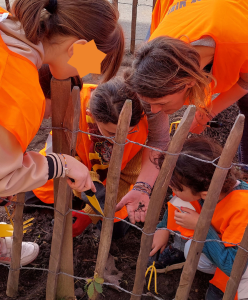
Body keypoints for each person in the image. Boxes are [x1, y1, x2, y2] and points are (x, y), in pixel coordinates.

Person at [0, 0, 124, 297]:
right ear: (77, 46)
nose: (89, 74)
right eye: (93, 64)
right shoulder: (14, 80)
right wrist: (63, 164)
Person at [125, 0, 248, 169]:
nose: (153, 111)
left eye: (161, 103)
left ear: (190, 82)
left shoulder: (240, 43)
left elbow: (246, 81)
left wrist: (208, 112)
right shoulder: (154, 46)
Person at [29, 77, 149, 238]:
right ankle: (78, 198)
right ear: (91, 115)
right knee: (30, 196)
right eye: (112, 134)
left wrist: (89, 213)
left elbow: (126, 178)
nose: (122, 140)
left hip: (110, 185)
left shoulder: (142, 123)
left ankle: (84, 202)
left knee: (116, 231)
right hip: (69, 168)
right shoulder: (72, 104)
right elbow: (62, 152)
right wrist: (87, 185)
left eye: (130, 132)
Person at [150, 137, 248, 300]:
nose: (170, 188)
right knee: (189, 243)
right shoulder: (205, 184)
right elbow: (178, 200)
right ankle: (181, 249)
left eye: (175, 187)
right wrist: (163, 228)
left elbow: (233, 265)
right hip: (221, 242)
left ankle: (225, 284)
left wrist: (201, 226)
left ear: (205, 194)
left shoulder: (242, 208)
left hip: (240, 261)